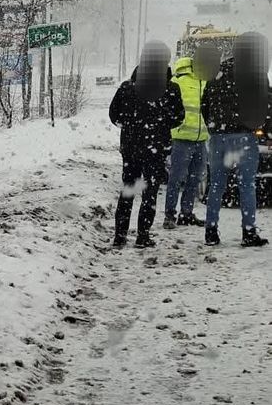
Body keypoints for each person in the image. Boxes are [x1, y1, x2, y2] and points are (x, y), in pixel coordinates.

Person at [108, 42, 185, 248]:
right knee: (150, 193)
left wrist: (130, 127)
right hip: (156, 149)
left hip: (131, 149)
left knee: (128, 191)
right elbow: (179, 118)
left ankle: (120, 236)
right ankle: (143, 236)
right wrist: (160, 125)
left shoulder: (127, 87)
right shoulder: (171, 89)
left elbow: (114, 115)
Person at [201, 32, 270, 248]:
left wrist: (214, 128)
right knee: (247, 185)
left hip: (218, 138)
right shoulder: (256, 73)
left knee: (216, 186)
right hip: (244, 137)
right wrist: (262, 129)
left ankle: (211, 231)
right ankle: (248, 232)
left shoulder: (217, 72)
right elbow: (266, 105)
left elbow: (205, 105)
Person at [163, 47, 219, 228]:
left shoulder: (204, 82)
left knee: (193, 179)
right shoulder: (176, 81)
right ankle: (170, 216)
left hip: (200, 139)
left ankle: (185, 214)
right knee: (177, 179)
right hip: (181, 139)